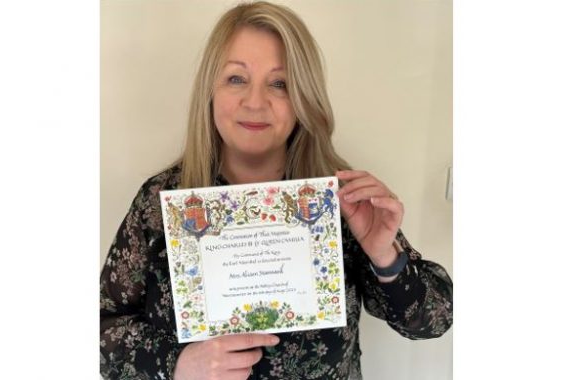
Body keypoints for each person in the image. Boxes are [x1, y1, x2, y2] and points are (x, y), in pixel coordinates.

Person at [100, 2, 453, 379]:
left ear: (303, 99)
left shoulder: (340, 201)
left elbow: (433, 321)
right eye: (236, 79)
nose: (255, 102)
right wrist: (176, 363)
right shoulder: (160, 202)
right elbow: (102, 330)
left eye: (279, 84)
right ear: (210, 91)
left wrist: (385, 256)